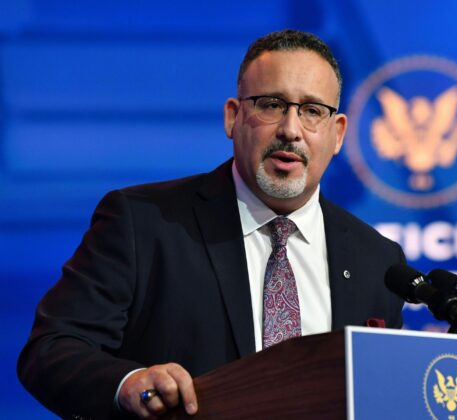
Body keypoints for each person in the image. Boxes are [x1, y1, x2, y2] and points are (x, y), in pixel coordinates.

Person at [17, 29, 405, 419]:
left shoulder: (378, 261)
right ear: (233, 117)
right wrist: (128, 382)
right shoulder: (142, 222)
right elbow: (51, 349)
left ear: (337, 134)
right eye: (271, 105)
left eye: (312, 111)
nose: (291, 130)